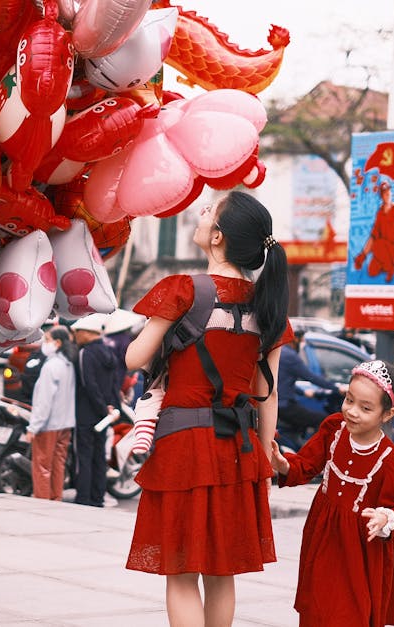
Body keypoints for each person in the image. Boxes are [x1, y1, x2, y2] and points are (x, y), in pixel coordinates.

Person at [124, 191, 290, 626]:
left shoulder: (182, 289)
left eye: (209, 210)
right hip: (240, 449)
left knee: (180, 572)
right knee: (222, 570)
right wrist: (268, 450)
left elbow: (134, 358)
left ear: (217, 237)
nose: (200, 212)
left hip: (183, 446)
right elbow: (265, 392)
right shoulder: (267, 305)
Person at [270, 360, 394, 627]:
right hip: (322, 539)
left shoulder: (392, 461)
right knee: (317, 608)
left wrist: (385, 519)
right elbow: (307, 464)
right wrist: (284, 464)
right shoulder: (333, 429)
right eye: (349, 400)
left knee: (349, 613)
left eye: (365, 408)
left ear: (387, 415)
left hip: (360, 554)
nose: (351, 411)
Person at [70, 313, 121, 508]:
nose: (75, 336)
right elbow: (114, 384)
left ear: (87, 333)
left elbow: (88, 384)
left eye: (77, 332)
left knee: (84, 456)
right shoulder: (109, 352)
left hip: (87, 413)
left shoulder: (86, 353)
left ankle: (83, 497)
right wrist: (111, 409)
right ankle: (98, 497)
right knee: (99, 457)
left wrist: (101, 408)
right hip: (105, 415)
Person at [24, 325, 76, 501]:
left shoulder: (51, 366)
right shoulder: (68, 364)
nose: (44, 344)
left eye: (47, 340)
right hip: (65, 423)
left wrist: (33, 427)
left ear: (58, 342)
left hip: (48, 425)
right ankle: (56, 500)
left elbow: (44, 401)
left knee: (42, 467)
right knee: (58, 464)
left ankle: (43, 503)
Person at [278, 330, 346, 437]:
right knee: (322, 420)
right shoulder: (291, 357)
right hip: (284, 405)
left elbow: (282, 381)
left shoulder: (281, 352)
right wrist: (337, 389)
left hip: (279, 404)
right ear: (295, 339)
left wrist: (303, 392)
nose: (303, 344)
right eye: (302, 341)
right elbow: (311, 377)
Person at [353, 173, 394, 282]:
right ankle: (387, 267)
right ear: (382, 196)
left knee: (377, 244)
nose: (387, 194)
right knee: (371, 271)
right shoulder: (380, 214)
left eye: (388, 192)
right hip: (383, 251)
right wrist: (362, 256)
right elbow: (373, 236)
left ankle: (390, 268)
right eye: (385, 193)